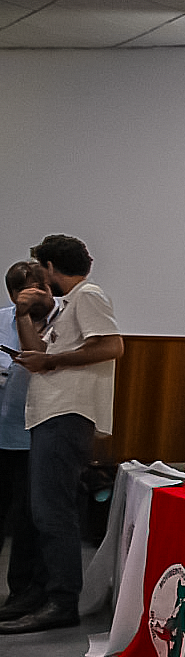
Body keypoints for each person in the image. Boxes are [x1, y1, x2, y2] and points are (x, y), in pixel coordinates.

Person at [0, 236, 123, 635]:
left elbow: (112, 345)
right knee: (43, 511)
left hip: (68, 412)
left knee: (54, 513)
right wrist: (22, 315)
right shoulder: (65, 307)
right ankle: (42, 595)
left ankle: (61, 601)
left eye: (41, 270)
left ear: (50, 267)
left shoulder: (88, 294)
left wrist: (54, 360)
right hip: (49, 413)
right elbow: (36, 357)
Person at [0, 262, 50, 623]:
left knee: (28, 521)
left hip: (35, 435)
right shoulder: (2, 318)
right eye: (18, 290)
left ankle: (23, 593)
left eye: (33, 288)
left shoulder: (59, 321)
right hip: (2, 431)